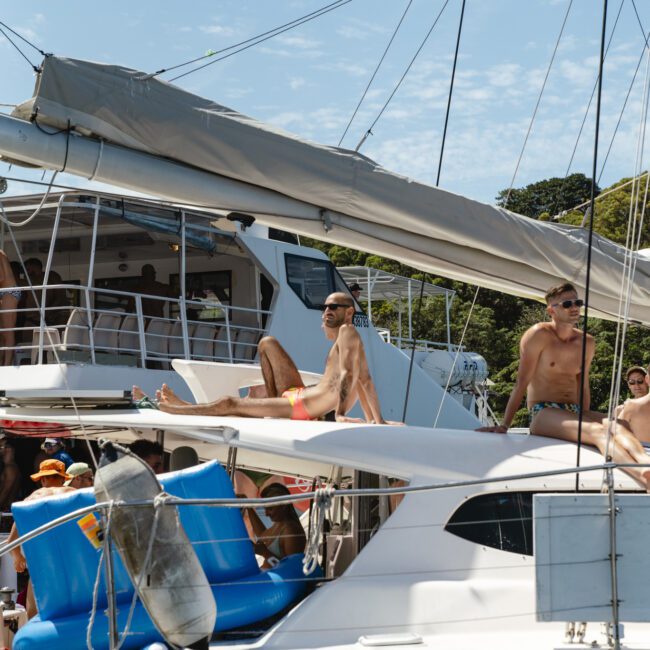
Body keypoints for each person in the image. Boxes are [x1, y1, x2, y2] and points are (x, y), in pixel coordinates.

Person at [478, 281, 650, 489]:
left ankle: (645, 462)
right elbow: (521, 382)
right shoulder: (538, 335)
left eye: (577, 302)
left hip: (574, 411)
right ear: (551, 310)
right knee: (599, 432)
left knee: (620, 424)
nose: (574, 307)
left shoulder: (587, 342)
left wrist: (585, 414)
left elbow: (583, 384)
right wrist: (505, 424)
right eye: (567, 304)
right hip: (544, 411)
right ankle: (642, 474)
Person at [134, 292, 398, 424]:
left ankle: (178, 409)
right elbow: (365, 381)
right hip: (298, 394)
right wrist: (378, 420)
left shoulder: (348, 332)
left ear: (349, 312)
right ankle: (267, 406)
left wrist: (339, 415)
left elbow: (351, 377)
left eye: (333, 307)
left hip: (301, 407)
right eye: (325, 307)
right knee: (267, 343)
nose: (326, 311)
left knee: (229, 402)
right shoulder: (348, 337)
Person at [8, 459, 73, 618]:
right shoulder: (74, 494)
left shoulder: (31, 499)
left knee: (34, 613)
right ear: (63, 478)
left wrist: (18, 558)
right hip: (71, 560)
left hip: (42, 562)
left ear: (43, 479)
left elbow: (12, 541)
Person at [242, 482, 306, 568]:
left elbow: (291, 570)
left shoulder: (291, 532)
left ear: (284, 505)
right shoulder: (280, 524)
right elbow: (262, 535)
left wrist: (264, 553)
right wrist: (248, 506)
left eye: (270, 509)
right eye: (265, 509)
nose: (266, 514)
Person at [22, 258, 68, 329]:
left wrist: (47, 312)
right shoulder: (28, 280)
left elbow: (60, 296)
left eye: (28, 269)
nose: (28, 273)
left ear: (35, 267)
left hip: (54, 316)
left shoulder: (51, 276)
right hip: (34, 319)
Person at [0, 251, 19, 365]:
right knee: (3, 332)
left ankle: (7, 364)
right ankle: (3, 362)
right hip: (5, 291)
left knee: (8, 332)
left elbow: (1, 277)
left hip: (9, 291)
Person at [0, 439, 21, 524]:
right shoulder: (9, 467)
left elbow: (6, 490)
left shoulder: (10, 468)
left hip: (5, 509)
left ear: (8, 449)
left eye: (1, 446)